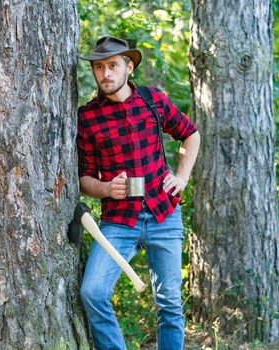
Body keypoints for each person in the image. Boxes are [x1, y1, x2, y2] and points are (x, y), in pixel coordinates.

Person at [76, 36, 200, 350]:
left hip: (164, 213)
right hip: (118, 221)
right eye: (99, 67)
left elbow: (190, 134)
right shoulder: (88, 117)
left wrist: (182, 176)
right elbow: (84, 179)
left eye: (113, 66)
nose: (105, 73)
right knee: (92, 292)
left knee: (169, 302)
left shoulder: (153, 100)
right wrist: (105, 188)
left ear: (129, 67)